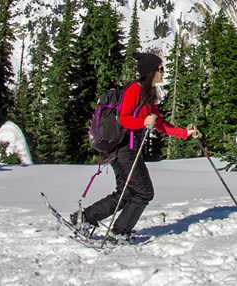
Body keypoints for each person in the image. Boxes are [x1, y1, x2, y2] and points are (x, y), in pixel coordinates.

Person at [72, 51, 199, 240]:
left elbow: (160, 124)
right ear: (150, 71)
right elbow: (124, 119)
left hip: (127, 150)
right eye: (160, 69)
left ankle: (84, 219)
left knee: (126, 193)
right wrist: (143, 122)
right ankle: (119, 232)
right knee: (144, 192)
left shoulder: (147, 94)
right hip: (125, 149)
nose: (163, 73)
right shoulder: (134, 90)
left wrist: (185, 133)